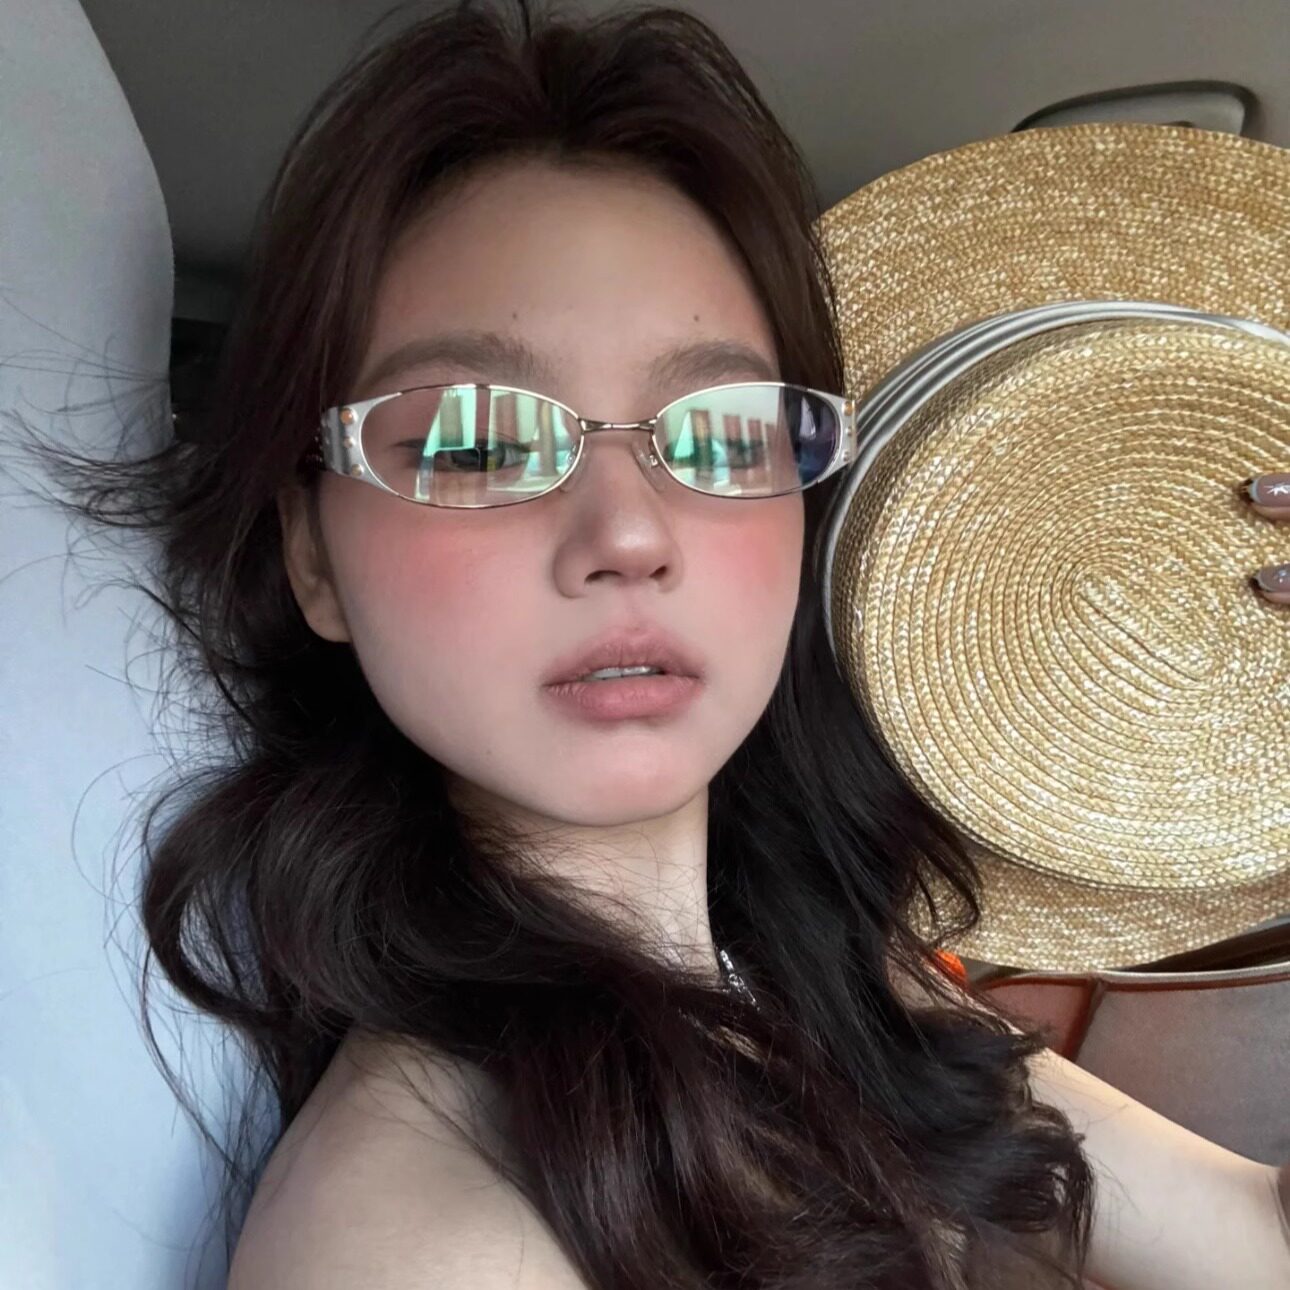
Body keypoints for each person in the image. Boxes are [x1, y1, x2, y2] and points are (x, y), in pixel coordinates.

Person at [26, 2, 1290, 1287]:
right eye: (476, 439)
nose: (628, 534)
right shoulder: (433, 1237)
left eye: (725, 431)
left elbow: (1256, 1241)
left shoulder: (811, 970)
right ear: (313, 557)